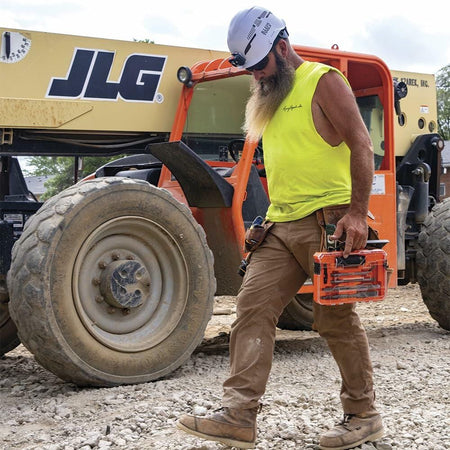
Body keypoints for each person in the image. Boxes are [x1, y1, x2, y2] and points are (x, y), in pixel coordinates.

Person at [178, 6, 384, 450]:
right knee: (251, 310)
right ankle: (238, 416)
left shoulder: (322, 81)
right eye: (250, 69)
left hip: (330, 222)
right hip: (281, 224)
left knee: (335, 321)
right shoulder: (268, 97)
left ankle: (363, 414)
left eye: (260, 65)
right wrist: (266, 219)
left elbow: (362, 145)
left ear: (283, 48)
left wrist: (356, 212)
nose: (256, 76)